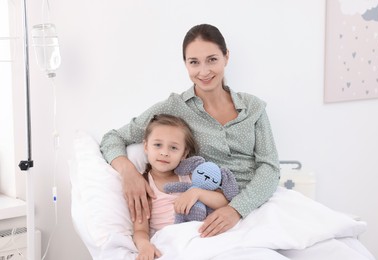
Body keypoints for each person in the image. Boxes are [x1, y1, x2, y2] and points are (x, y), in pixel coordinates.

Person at [100, 23, 280, 238]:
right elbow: (113, 138)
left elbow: (269, 167)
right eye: (194, 62)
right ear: (185, 64)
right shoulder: (175, 106)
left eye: (212, 59)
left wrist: (236, 210)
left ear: (226, 57)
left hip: (258, 203)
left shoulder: (253, 107)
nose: (204, 71)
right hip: (207, 211)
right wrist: (130, 174)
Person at [133, 114, 230, 260]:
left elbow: (223, 202)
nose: (164, 152)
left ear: (184, 153)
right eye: (158, 145)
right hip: (172, 240)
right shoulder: (143, 185)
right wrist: (145, 246)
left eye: (173, 148)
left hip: (201, 235)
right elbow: (140, 230)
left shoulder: (191, 176)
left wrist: (197, 193)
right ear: (146, 146)